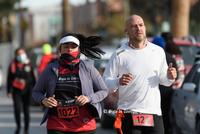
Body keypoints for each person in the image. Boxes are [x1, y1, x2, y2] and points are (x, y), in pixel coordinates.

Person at [103, 15, 177, 134]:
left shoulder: (158, 51)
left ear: (145, 28)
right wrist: (118, 81)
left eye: (140, 25)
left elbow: (164, 81)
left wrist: (169, 77)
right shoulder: (119, 54)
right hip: (127, 113)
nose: (138, 28)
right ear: (126, 31)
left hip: (153, 113)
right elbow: (105, 85)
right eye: (133, 26)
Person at [32, 33, 108, 134]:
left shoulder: (87, 67)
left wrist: (88, 98)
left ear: (78, 49)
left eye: (73, 46)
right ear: (60, 49)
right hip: (57, 126)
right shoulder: (50, 68)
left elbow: (103, 91)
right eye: (66, 46)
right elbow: (36, 91)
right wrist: (44, 100)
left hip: (84, 126)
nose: (69, 49)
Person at [152, 36, 178, 134]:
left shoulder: (152, 57)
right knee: (165, 115)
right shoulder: (170, 57)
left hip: (154, 93)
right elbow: (176, 75)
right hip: (167, 93)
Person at [7, 47, 36, 134]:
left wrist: (36, 91)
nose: (21, 56)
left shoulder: (29, 64)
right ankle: (18, 126)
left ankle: (26, 130)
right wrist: (9, 91)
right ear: (16, 55)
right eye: (18, 54)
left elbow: (33, 78)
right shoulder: (13, 64)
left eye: (22, 53)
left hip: (27, 91)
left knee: (26, 110)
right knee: (17, 109)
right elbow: (9, 79)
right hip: (16, 91)